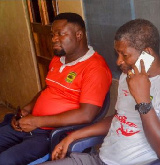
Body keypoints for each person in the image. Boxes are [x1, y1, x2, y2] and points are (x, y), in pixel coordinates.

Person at [41, 18, 160, 165]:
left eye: (125, 55)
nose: (118, 61)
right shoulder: (127, 76)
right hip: (99, 160)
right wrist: (74, 136)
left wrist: (143, 101)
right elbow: (120, 117)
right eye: (118, 54)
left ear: (147, 53)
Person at [0, 12, 112, 164]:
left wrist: (38, 122)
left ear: (79, 35)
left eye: (60, 34)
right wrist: (27, 109)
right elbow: (48, 89)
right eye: (53, 34)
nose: (53, 39)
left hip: (53, 135)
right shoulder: (58, 60)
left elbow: (86, 115)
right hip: (30, 125)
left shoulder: (95, 68)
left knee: (5, 160)